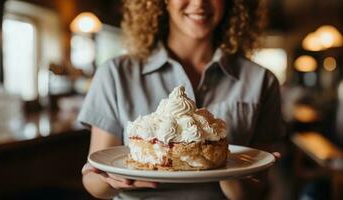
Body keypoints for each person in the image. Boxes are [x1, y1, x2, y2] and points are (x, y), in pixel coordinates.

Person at [78, 0, 285, 199]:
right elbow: (94, 181)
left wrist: (229, 168)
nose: (199, 3)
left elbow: (254, 192)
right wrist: (110, 180)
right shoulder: (115, 74)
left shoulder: (261, 81)